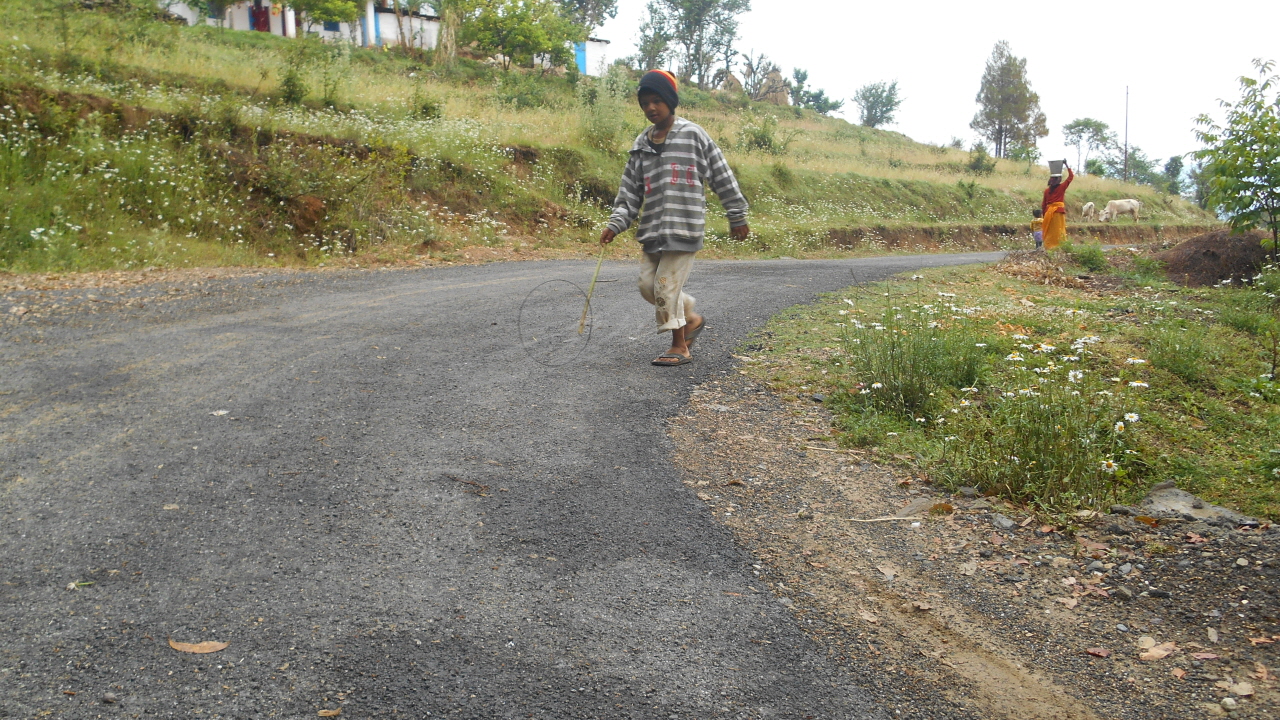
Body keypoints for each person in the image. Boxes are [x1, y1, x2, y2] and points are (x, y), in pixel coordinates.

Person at [600, 70, 750, 366]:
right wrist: (615, 223)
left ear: (671, 100)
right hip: (652, 230)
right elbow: (629, 193)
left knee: (665, 286)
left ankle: (679, 346)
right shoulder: (640, 145)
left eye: (657, 101)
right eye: (645, 103)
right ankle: (690, 316)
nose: (651, 108)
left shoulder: (693, 135)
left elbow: (722, 175)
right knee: (648, 286)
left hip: (684, 227)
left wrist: (737, 215)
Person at [1041, 164, 1073, 251]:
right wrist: (1067, 165)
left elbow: (1043, 204)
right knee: (1059, 230)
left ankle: (1048, 246)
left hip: (1048, 213)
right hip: (1058, 212)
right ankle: (1059, 246)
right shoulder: (1062, 187)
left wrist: (1044, 215)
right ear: (1058, 180)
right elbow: (1071, 177)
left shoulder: (1047, 191)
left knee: (1049, 230)